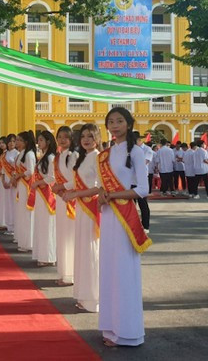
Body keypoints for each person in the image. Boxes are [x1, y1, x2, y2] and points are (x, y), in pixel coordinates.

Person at [97, 107, 150, 347]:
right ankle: (110, 327)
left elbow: (143, 189)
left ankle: (127, 331)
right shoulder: (105, 155)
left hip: (124, 216)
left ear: (128, 124)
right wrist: (101, 195)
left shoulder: (136, 151)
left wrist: (114, 194)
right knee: (109, 269)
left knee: (124, 272)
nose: (115, 125)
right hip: (108, 215)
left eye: (119, 121)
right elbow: (101, 186)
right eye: (111, 121)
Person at [62, 123, 101, 313]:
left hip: (91, 208)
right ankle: (83, 294)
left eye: (90, 136)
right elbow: (76, 181)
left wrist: (75, 193)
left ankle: (93, 298)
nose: (86, 139)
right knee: (82, 249)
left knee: (90, 250)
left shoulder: (98, 158)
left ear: (98, 139)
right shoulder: (84, 157)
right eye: (83, 136)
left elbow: (99, 187)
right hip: (81, 208)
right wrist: (65, 188)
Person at [51, 126, 78, 286]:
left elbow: (77, 180)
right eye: (59, 137)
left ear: (71, 139)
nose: (62, 140)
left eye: (65, 137)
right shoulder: (58, 156)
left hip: (71, 199)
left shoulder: (74, 155)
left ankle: (70, 275)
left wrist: (61, 187)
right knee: (61, 235)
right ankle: (63, 272)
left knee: (70, 237)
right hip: (61, 200)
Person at [30, 131, 57, 266]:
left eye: (41, 140)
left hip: (47, 195)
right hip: (41, 195)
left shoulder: (51, 157)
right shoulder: (43, 157)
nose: (39, 143)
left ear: (48, 141)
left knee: (47, 225)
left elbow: (52, 177)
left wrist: (38, 183)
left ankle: (49, 257)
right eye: (38, 140)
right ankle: (43, 254)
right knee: (41, 224)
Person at [11, 131, 37, 252]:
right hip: (21, 185)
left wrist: (18, 175)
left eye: (19, 140)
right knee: (21, 212)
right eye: (16, 140)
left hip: (27, 186)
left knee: (26, 214)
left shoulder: (29, 154)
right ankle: (22, 239)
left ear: (26, 142)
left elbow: (30, 171)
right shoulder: (21, 153)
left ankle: (28, 243)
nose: (17, 142)